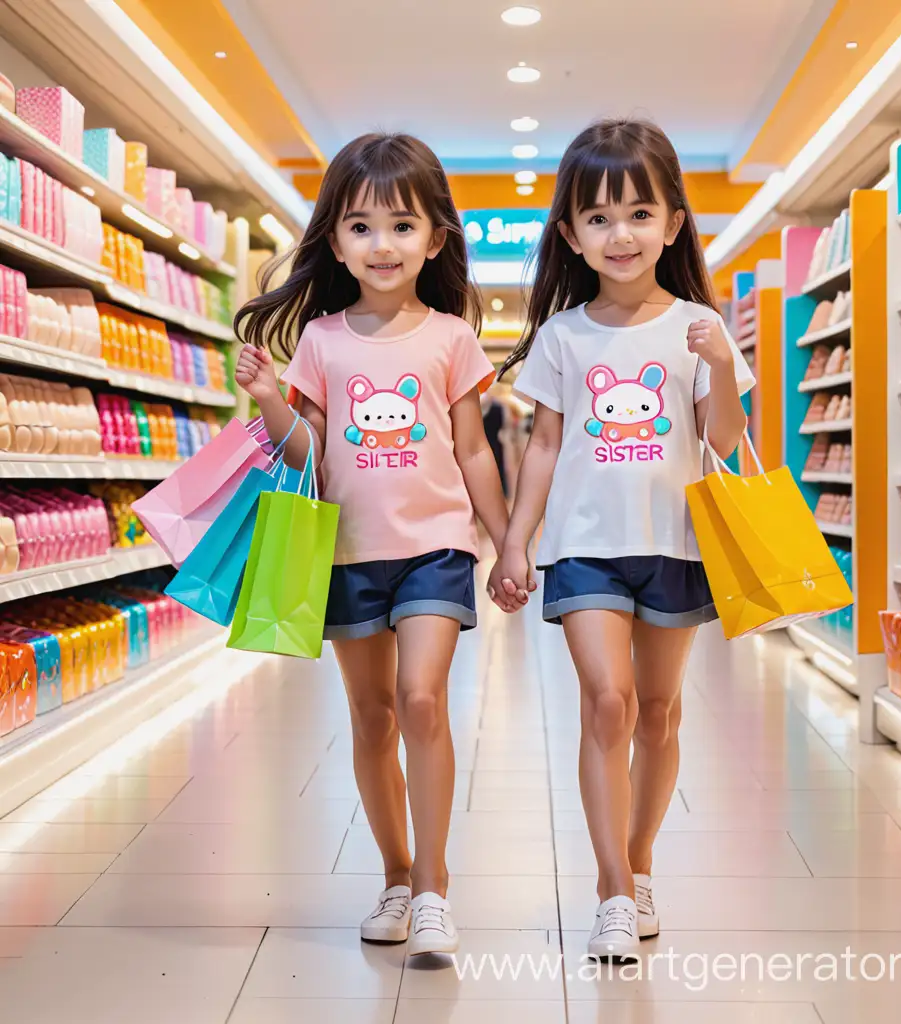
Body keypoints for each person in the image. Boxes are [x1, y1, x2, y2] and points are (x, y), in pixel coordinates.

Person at [234, 132, 512, 956]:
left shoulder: (451, 337)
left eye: (401, 226)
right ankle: (395, 875)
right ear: (334, 240)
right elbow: (307, 455)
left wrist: (508, 544)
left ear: (436, 237)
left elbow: (472, 451)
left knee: (422, 699)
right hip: (348, 553)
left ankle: (433, 886)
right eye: (360, 227)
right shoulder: (321, 340)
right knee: (371, 716)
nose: (381, 245)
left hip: (436, 548)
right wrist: (267, 400)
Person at [490, 118, 754, 958]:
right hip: (585, 547)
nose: (621, 233)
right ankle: (609, 888)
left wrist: (719, 363)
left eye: (640, 213)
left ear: (674, 221)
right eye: (598, 218)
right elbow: (542, 445)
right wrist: (515, 542)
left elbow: (722, 440)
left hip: (676, 546)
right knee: (610, 701)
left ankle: (640, 864)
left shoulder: (696, 326)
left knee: (662, 715)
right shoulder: (564, 335)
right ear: (569, 233)